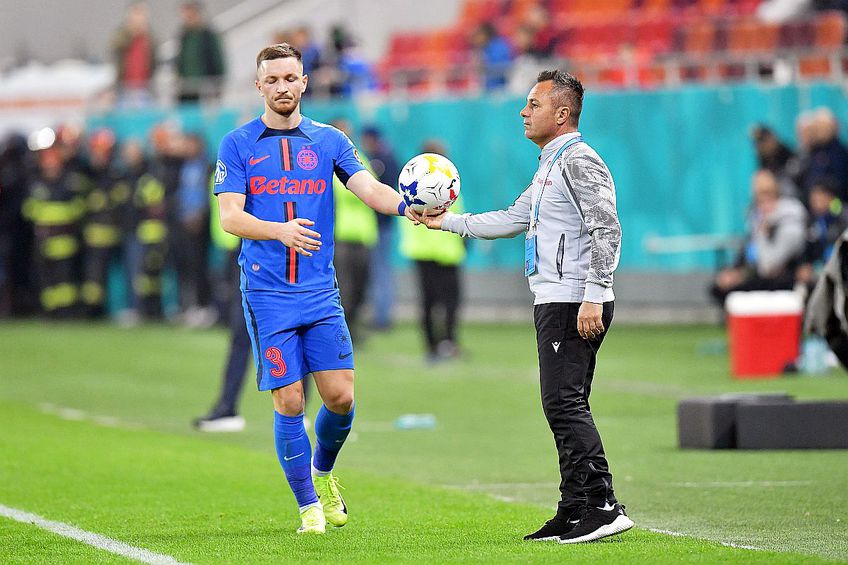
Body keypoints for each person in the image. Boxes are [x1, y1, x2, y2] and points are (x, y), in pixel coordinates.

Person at [213, 43, 418, 535]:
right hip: (267, 293)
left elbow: (367, 187)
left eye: (291, 78)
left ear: (305, 82)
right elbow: (230, 217)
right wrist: (279, 230)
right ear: (259, 86)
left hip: (320, 291)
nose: (283, 87)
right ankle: (308, 506)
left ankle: (322, 472)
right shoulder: (237, 144)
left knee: (341, 398)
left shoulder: (329, 140)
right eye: (273, 80)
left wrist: (407, 207)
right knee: (288, 401)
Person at [420, 70, 632, 543]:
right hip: (555, 298)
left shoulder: (579, 161)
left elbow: (608, 228)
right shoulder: (549, 164)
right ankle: (574, 507)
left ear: (561, 114)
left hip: (574, 299)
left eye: (533, 104)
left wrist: (594, 293)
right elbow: (513, 218)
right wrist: (447, 223)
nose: (523, 111)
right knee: (563, 403)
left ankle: (601, 504)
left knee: (563, 403)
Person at [400, 140, 466, 362]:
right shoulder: (440, 182)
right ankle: (440, 345)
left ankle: (440, 345)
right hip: (438, 250)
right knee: (442, 302)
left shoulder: (413, 181)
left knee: (435, 302)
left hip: (434, 250)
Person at [711, 169, 807, 305]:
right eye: (758, 193)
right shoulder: (756, 215)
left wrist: (763, 231)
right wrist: (735, 271)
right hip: (757, 272)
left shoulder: (790, 216)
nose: (762, 199)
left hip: (782, 277)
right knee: (718, 286)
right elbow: (749, 250)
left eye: (766, 193)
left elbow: (769, 266)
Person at [361, 126, 401, 330]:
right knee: (380, 272)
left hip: (380, 225)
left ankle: (382, 317)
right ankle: (381, 314)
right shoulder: (388, 157)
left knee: (380, 272)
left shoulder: (381, 160)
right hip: (380, 225)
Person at [175, 1, 226, 104]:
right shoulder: (183, 35)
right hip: (186, 90)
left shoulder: (208, 36)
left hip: (205, 89)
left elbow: (218, 62)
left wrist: (218, 86)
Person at [111, 2, 157, 108]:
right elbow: (114, 47)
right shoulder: (122, 34)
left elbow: (154, 57)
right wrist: (131, 33)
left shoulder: (149, 36)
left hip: (145, 87)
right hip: (124, 87)